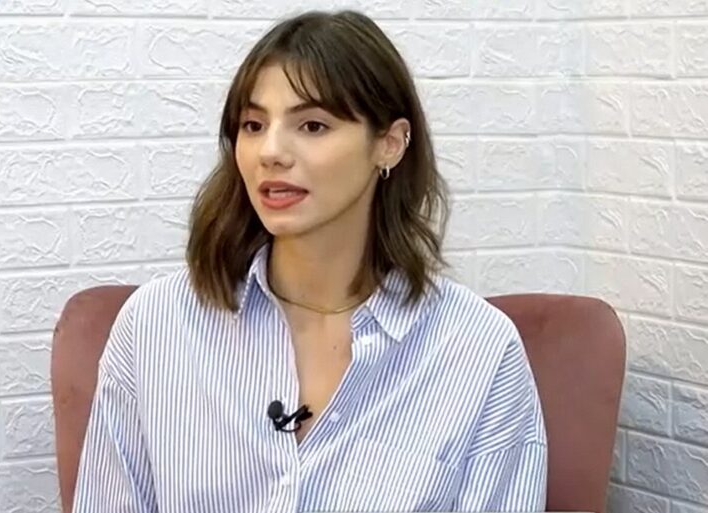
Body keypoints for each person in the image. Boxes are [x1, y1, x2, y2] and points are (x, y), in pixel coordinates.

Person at [72, 9, 547, 513]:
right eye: (253, 125)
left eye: (313, 125)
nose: (270, 151)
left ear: (389, 144)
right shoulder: (156, 325)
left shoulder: (479, 350)